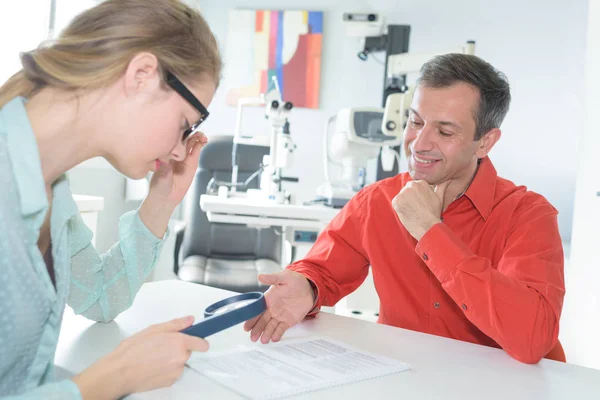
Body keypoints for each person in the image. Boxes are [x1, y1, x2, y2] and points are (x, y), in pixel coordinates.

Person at [244, 53, 566, 365]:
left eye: (444, 131)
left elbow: (533, 337)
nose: (419, 143)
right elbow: (323, 270)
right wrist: (308, 287)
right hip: (404, 377)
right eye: (415, 121)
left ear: (485, 142)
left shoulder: (528, 216)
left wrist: (429, 230)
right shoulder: (377, 201)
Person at [0, 0, 221, 398]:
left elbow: (101, 298)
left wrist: (161, 202)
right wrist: (110, 379)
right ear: (141, 75)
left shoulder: (54, 189)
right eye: (185, 125)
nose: (178, 150)